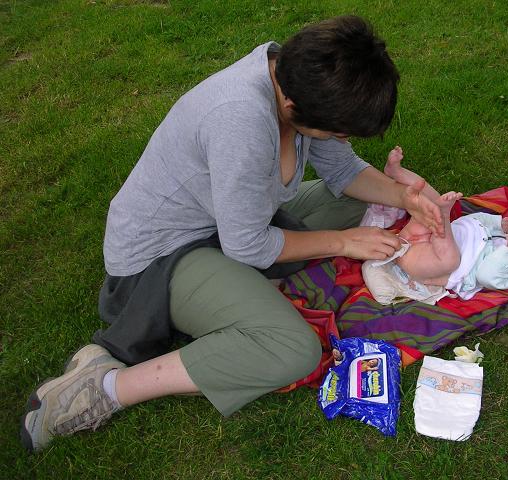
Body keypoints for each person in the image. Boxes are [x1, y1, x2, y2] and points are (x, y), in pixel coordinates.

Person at [20, 16, 445, 452]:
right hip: (159, 260)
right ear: (296, 107)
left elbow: (342, 170)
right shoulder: (240, 119)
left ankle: (244, 292)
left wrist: (402, 197)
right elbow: (249, 245)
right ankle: (103, 386)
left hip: (227, 226)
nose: (340, 140)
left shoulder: (298, 76)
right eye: (337, 131)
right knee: (291, 349)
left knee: (363, 203)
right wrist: (342, 243)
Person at [362, 146, 508, 304]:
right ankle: (399, 174)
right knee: (432, 201)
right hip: (425, 234)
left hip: (425, 262)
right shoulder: (502, 230)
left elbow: (487, 276)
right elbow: (478, 220)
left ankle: (442, 217)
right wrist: (498, 223)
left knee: (450, 257)